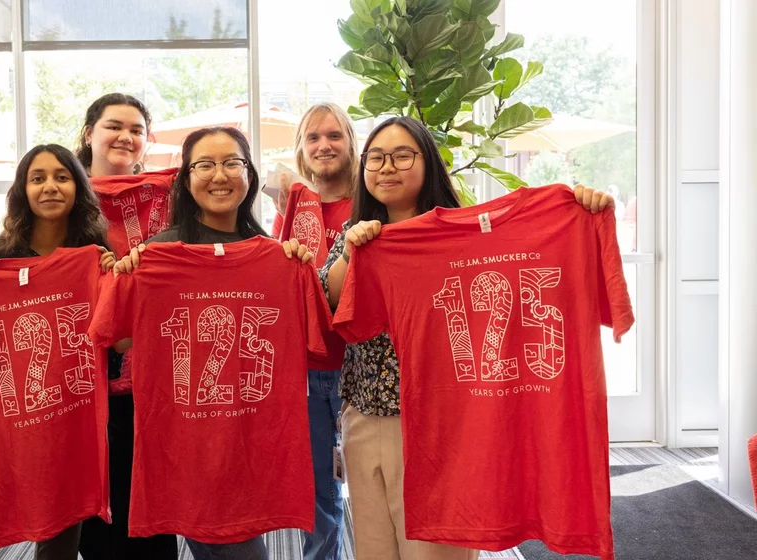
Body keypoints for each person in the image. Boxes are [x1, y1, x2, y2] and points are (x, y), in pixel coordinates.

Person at [320, 116, 614, 560]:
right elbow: (329, 303)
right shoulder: (358, 235)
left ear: (428, 164)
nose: (386, 168)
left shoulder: (461, 234)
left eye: (403, 156)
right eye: (375, 158)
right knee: (374, 551)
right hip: (364, 418)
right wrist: (353, 252)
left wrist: (583, 208)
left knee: (435, 553)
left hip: (440, 428)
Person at [115, 126, 313, 560]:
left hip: (253, 443)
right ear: (186, 180)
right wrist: (128, 279)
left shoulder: (276, 257)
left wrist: (299, 269)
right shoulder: (157, 256)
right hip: (187, 445)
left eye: (232, 163)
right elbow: (121, 339)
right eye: (204, 165)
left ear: (249, 175)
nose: (219, 175)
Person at [0, 144, 116, 560]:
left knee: (58, 549)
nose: (50, 187)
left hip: (70, 423)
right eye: (38, 178)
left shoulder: (96, 259)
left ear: (78, 188)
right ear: (23, 190)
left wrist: (117, 283)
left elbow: (120, 341)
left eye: (61, 177)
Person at [74, 92, 180, 559]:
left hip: (155, 373)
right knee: (97, 510)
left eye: (137, 129)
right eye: (114, 125)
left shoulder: (170, 200)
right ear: (89, 133)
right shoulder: (63, 192)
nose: (126, 136)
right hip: (83, 378)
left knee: (156, 505)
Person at [274, 102, 361, 560]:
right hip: (307, 365)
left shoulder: (371, 202)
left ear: (350, 143)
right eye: (313, 138)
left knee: (374, 483)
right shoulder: (290, 210)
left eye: (334, 135)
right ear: (302, 151)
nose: (324, 145)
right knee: (317, 492)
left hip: (366, 366)